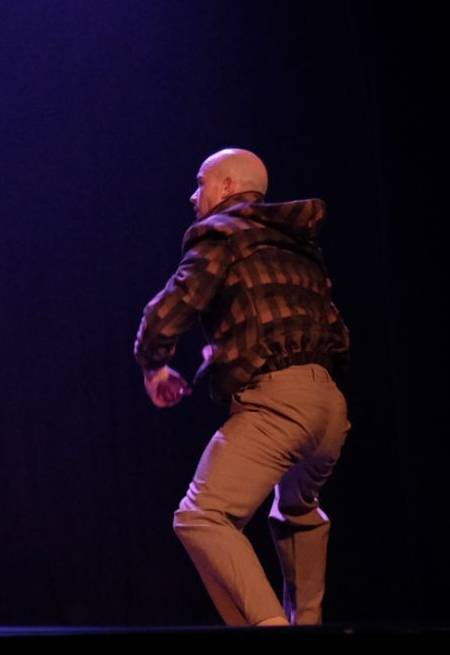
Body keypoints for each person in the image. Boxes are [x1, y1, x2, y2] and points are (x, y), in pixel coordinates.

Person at [133, 148, 350, 626]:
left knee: (201, 516)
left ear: (228, 187)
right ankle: (307, 625)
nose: (194, 196)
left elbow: (168, 311)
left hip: (280, 407)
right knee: (297, 509)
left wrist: (154, 367)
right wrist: (224, 359)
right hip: (330, 409)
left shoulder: (222, 233)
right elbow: (327, 331)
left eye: (201, 182)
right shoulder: (297, 247)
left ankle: (271, 628)